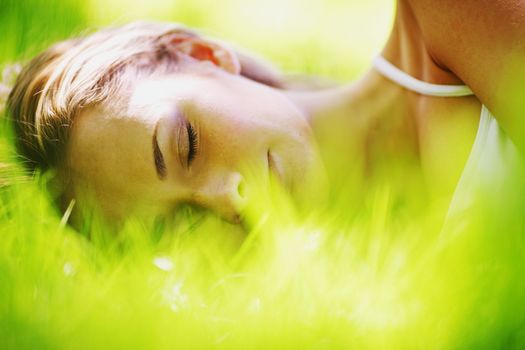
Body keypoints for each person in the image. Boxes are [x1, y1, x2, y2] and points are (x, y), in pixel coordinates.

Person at [5, 0, 525, 228]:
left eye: (186, 145)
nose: (226, 199)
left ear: (203, 55)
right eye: (182, 224)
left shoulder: (446, 16)